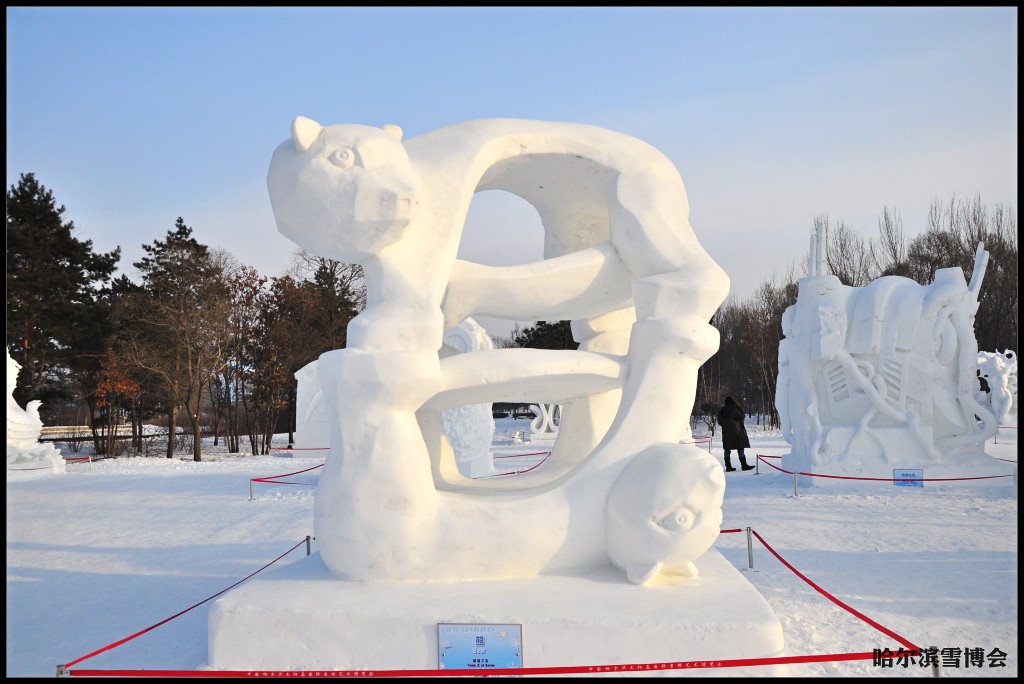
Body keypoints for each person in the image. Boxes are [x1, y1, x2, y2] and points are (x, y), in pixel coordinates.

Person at [717, 396, 753, 472]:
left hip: (726, 434)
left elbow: (720, 422)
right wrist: (738, 406)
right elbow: (741, 416)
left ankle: (728, 467)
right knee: (740, 448)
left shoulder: (722, 410)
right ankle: (744, 465)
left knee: (727, 450)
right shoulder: (734, 409)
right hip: (737, 432)